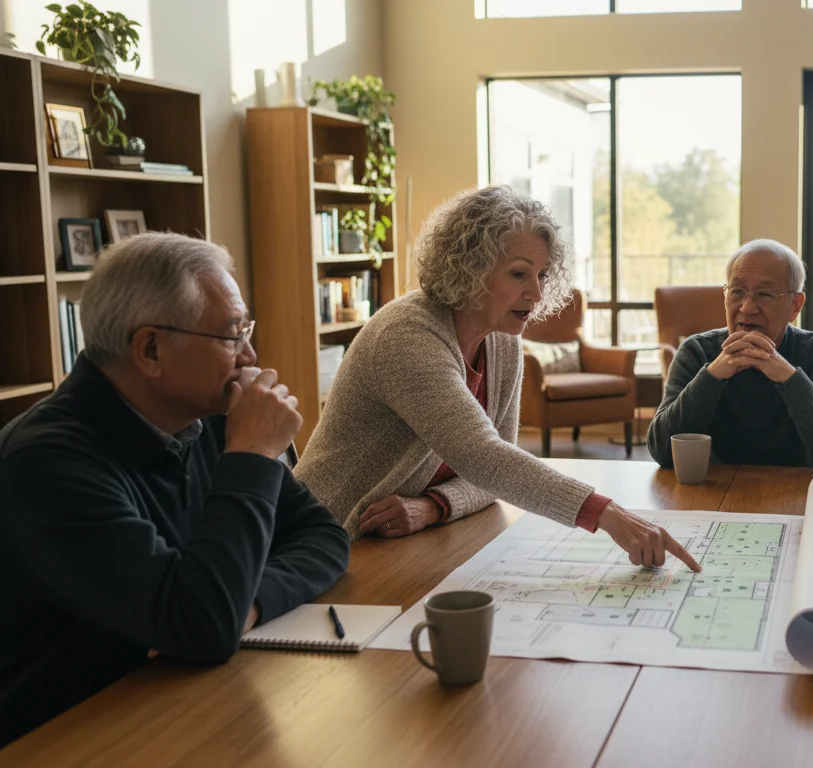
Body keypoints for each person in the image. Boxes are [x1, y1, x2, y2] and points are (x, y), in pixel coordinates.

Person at [0, 233, 349, 747]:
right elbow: (204, 625)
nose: (251, 354)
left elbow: (322, 536)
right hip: (69, 732)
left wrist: (245, 603)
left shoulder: (203, 418)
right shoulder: (46, 463)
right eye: (232, 335)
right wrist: (251, 456)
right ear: (151, 348)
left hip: (174, 695)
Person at [295, 186, 700, 572]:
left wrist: (436, 506)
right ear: (470, 269)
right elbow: (483, 456)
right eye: (519, 274)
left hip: (392, 542)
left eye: (542, 276)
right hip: (320, 539)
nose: (537, 295)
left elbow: (495, 473)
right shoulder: (406, 335)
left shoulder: (502, 342)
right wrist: (606, 514)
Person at [646, 239, 813, 473]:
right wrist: (712, 376)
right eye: (737, 292)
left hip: (799, 492)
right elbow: (662, 452)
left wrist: (788, 378)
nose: (747, 307)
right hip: (711, 492)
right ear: (725, 296)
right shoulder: (697, 352)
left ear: (795, 306)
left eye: (765, 294)